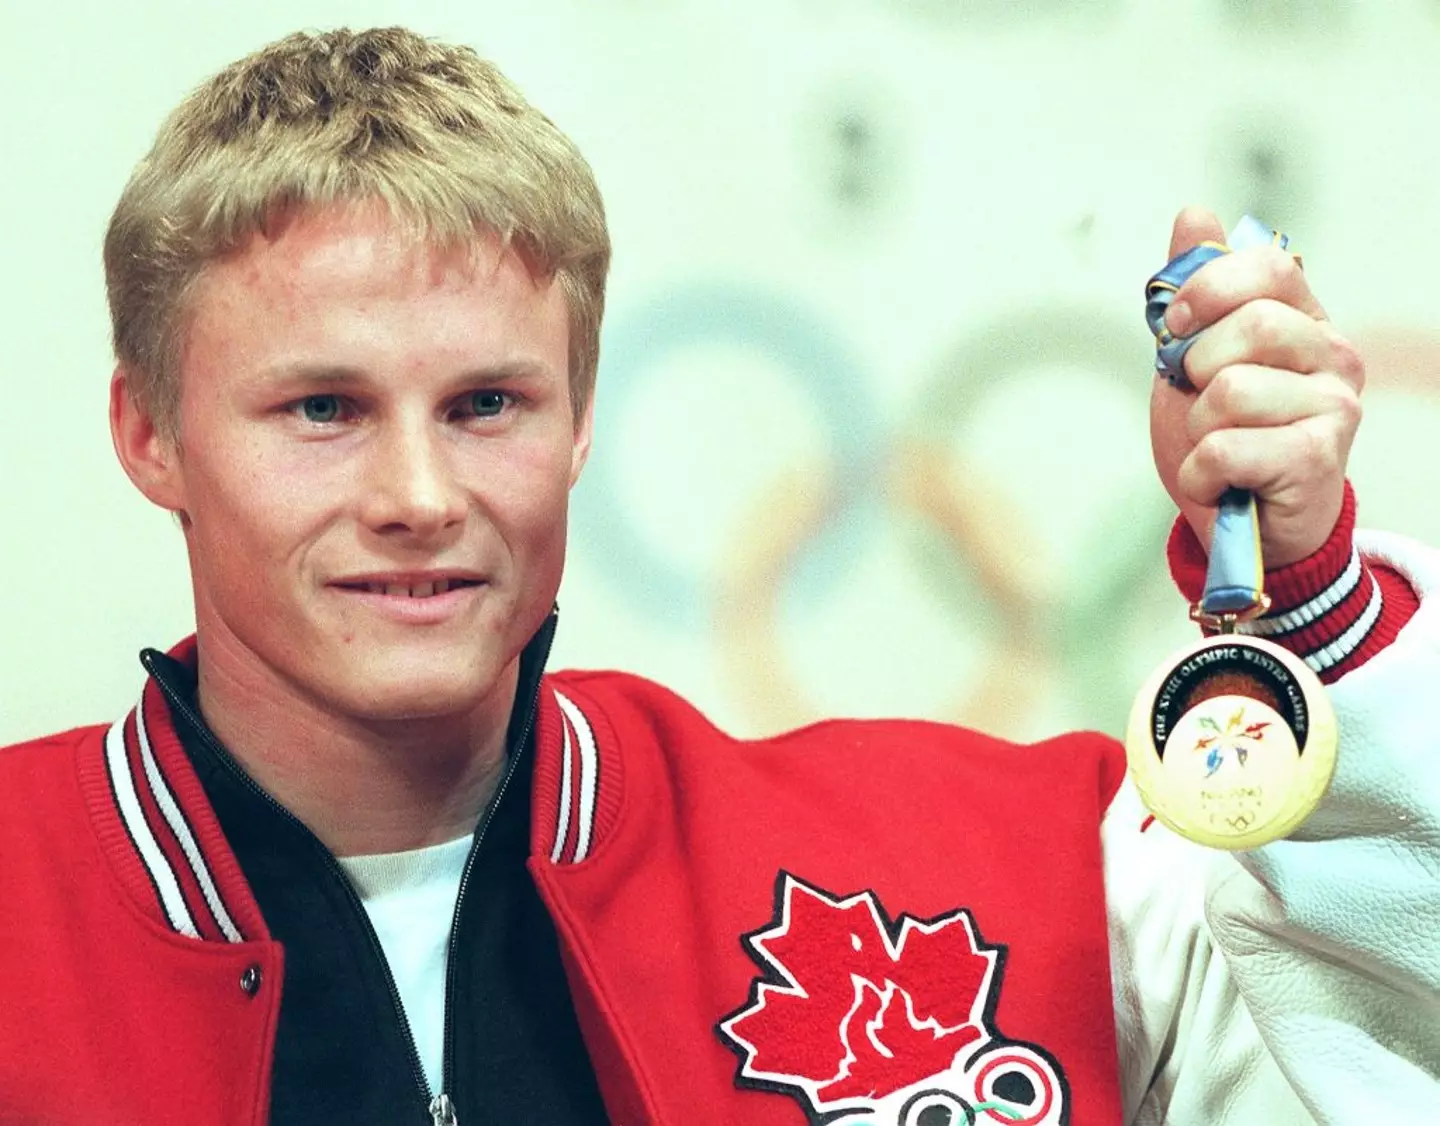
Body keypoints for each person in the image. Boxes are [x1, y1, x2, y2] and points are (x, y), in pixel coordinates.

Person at [0, 25, 1435, 1126]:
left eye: (487, 403)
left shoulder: (1024, 873)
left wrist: (1307, 591)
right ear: (149, 433)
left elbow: (1397, 1042)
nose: (420, 499)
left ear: (581, 415)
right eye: (324, 408)